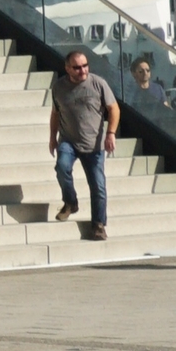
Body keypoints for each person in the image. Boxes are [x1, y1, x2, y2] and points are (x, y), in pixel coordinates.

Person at [50, 51, 122, 241]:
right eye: (77, 67)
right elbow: (55, 114)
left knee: (98, 185)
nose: (82, 70)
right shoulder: (58, 88)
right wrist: (52, 137)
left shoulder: (98, 83)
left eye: (85, 66)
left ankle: (98, 225)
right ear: (67, 69)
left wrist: (111, 133)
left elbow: (113, 108)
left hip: (94, 144)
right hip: (68, 141)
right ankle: (70, 202)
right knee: (62, 167)